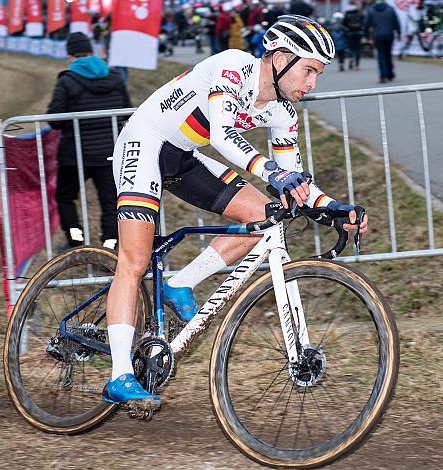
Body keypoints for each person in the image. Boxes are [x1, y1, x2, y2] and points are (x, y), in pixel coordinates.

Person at [103, 15, 369, 408]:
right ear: (280, 59)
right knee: (135, 259)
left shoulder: (283, 112)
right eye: (309, 70)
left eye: (319, 74)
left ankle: (180, 284)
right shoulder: (232, 67)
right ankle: (120, 374)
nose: (312, 84)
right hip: (144, 143)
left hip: (184, 156)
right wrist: (271, 171)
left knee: (266, 214)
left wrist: (332, 208)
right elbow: (221, 135)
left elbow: (293, 180)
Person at [46, 33, 132, 250]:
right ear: (92, 51)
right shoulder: (114, 77)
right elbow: (126, 110)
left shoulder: (67, 80)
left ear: (70, 55)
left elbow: (54, 119)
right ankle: (110, 246)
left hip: (75, 155)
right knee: (111, 202)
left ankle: (75, 240)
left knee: (65, 197)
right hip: (110, 151)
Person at [364, 0, 401, 83]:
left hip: (377, 36)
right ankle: (390, 73)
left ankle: (383, 75)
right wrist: (399, 33)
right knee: (388, 54)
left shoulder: (371, 10)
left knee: (381, 55)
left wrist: (366, 36)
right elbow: (396, 22)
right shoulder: (390, 9)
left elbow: (366, 24)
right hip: (389, 35)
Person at [343, 0, 365, 70]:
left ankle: (351, 58)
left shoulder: (347, 13)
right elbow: (364, 22)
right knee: (358, 49)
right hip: (359, 32)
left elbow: (344, 24)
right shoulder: (360, 13)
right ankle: (357, 65)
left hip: (350, 33)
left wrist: (347, 30)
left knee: (351, 48)